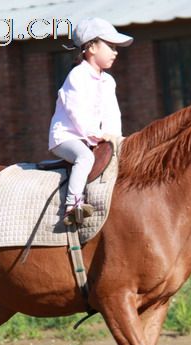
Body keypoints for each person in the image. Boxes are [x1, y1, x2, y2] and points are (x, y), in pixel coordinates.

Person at [48, 17, 133, 225]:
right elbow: (77, 112)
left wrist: (116, 140)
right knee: (84, 158)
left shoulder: (107, 80)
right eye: (111, 46)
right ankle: (73, 205)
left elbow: (112, 113)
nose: (115, 51)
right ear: (92, 47)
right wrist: (96, 133)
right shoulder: (77, 76)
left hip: (92, 137)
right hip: (67, 137)